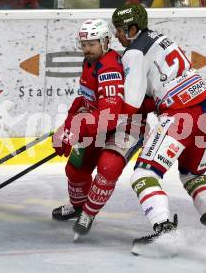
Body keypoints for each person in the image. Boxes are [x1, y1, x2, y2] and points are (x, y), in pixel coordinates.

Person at [110, 3, 206, 255]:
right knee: (193, 176)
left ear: (132, 29)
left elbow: (131, 103)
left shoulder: (134, 52)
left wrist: (104, 121)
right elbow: (153, 92)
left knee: (143, 175)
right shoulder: (160, 39)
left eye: (119, 30)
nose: (116, 35)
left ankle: (165, 231)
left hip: (180, 117)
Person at [51, 19, 154, 240]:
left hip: (126, 125)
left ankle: (88, 214)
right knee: (75, 170)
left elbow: (109, 118)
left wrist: (75, 130)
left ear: (106, 42)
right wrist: (68, 125)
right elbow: (86, 99)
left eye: (92, 44)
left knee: (107, 167)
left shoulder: (109, 69)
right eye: (84, 44)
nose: (86, 49)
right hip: (99, 122)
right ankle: (78, 206)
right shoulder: (90, 61)